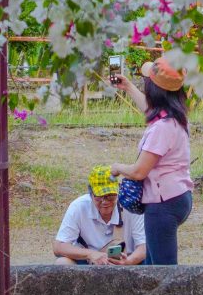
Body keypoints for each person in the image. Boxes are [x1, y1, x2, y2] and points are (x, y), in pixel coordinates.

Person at [110, 56, 193, 265]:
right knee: (151, 263)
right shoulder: (175, 116)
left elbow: (139, 171)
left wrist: (118, 168)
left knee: (162, 269)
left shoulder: (162, 128)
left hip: (162, 204)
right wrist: (128, 87)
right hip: (178, 196)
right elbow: (150, 110)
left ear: (154, 90)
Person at [54, 166, 146, 266]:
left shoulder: (130, 207)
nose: (105, 202)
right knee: (62, 263)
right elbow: (59, 246)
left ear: (118, 191)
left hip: (127, 262)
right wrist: (90, 254)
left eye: (110, 196)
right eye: (99, 197)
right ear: (91, 193)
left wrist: (128, 261)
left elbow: (144, 247)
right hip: (88, 263)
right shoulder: (79, 206)